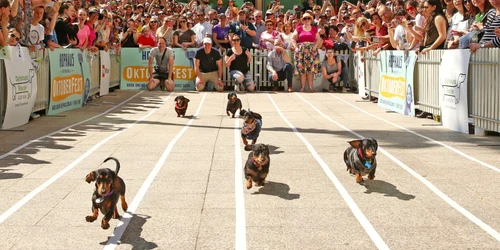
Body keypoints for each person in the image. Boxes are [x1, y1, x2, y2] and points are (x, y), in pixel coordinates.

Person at [291, 12, 322, 92]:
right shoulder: (299, 28)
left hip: (311, 50)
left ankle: (311, 87)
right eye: (305, 18)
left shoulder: (314, 29)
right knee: (302, 70)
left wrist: (315, 46)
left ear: (311, 20)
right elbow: (293, 38)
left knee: (310, 70)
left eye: (308, 18)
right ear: (302, 20)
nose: (307, 20)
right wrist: (296, 48)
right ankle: (303, 87)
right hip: (301, 50)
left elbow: (318, 39)